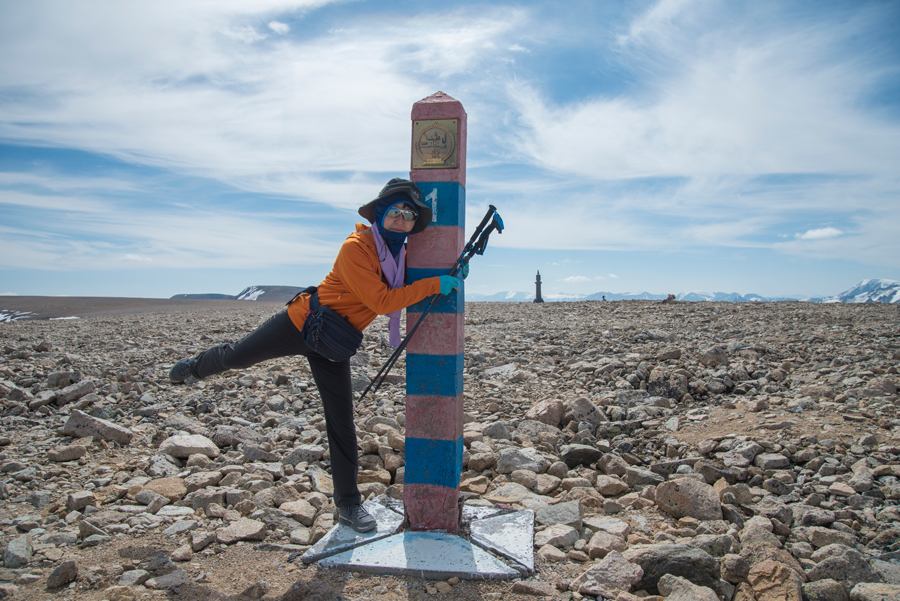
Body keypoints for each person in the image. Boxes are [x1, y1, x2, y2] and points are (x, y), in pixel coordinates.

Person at [167, 178, 461, 532]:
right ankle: (195, 367)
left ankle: (349, 506)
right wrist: (434, 285)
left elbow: (412, 280)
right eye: (395, 212)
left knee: (342, 424)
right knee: (237, 357)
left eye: (409, 215)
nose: (401, 220)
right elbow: (382, 303)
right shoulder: (357, 247)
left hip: (334, 343)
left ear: (413, 223)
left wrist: (449, 274)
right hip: (300, 323)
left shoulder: (401, 256)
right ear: (380, 214)